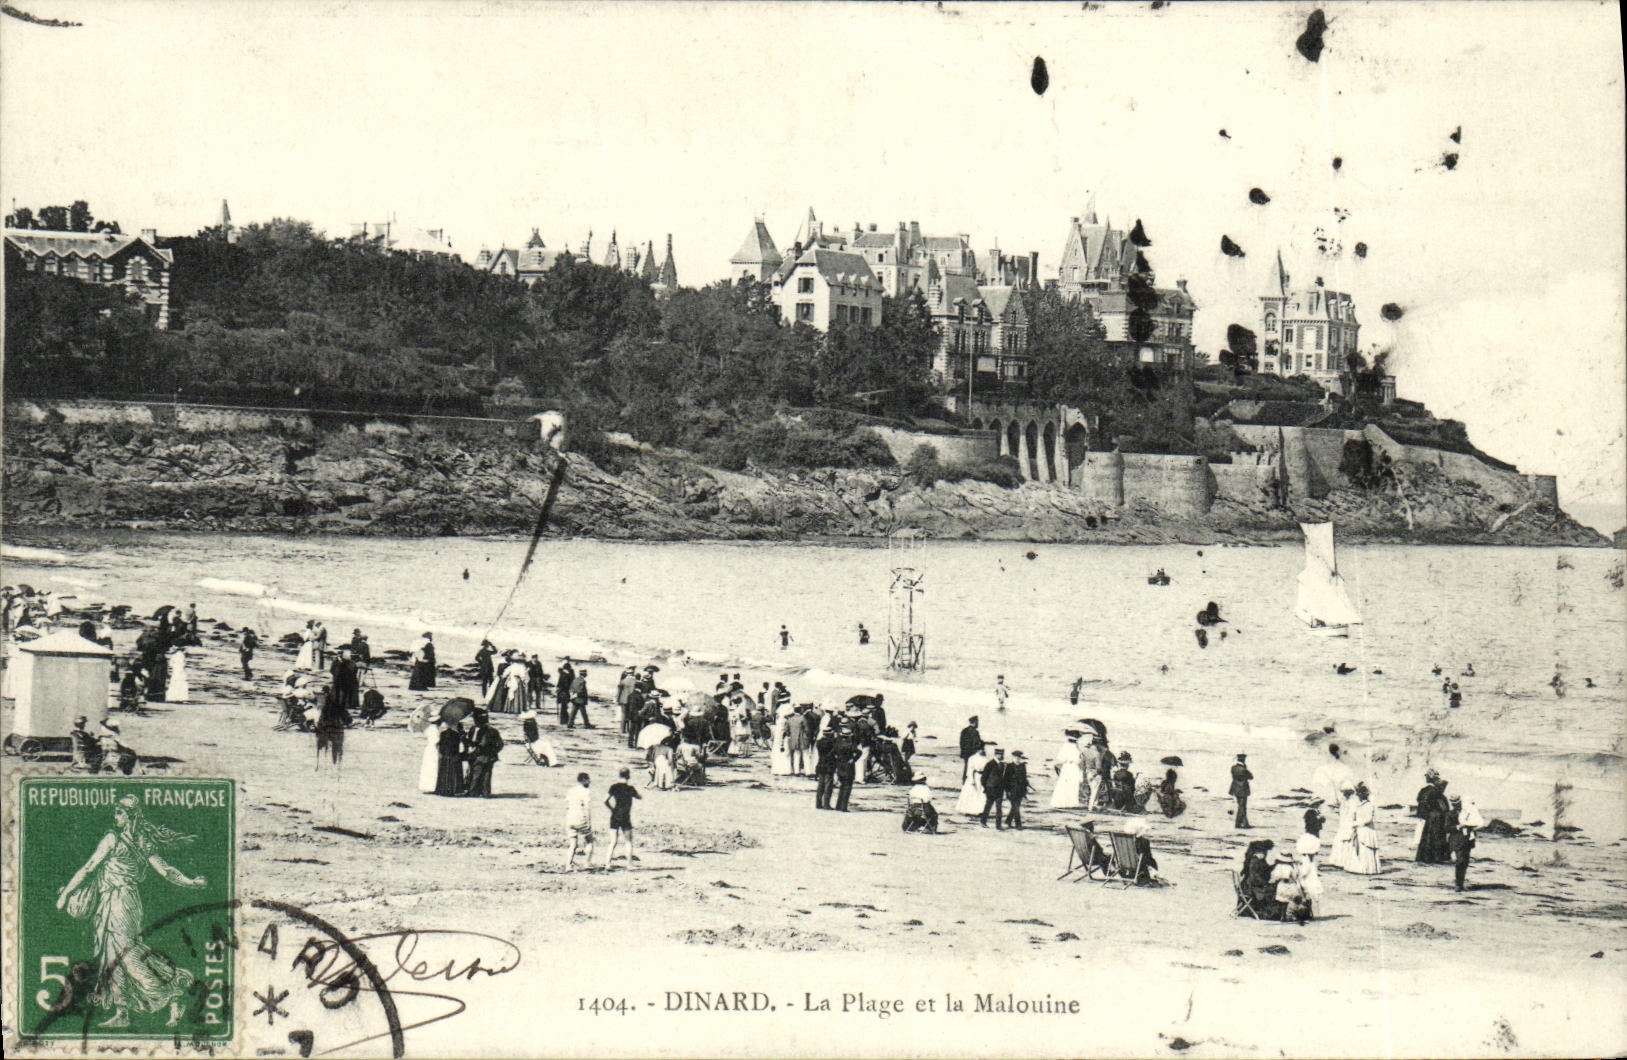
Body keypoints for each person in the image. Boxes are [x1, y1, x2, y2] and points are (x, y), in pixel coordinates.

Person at [55, 794, 206, 1028]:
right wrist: (190, 882)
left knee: (129, 956)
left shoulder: (112, 839)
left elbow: (88, 868)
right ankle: (122, 1011)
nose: (115, 817)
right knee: (112, 957)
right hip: (116, 902)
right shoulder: (142, 840)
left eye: (119, 813)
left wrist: (65, 895)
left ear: (129, 816)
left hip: (120, 901)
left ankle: (174, 993)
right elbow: (166, 871)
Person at [604, 768, 641, 868]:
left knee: (612, 842)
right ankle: (629, 864)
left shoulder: (614, 787)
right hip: (625, 815)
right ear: (628, 776)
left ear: (619, 775)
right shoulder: (630, 788)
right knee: (628, 841)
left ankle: (607, 863)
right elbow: (639, 796)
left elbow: (605, 800)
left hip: (615, 815)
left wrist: (611, 809)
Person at [1239, 839, 1285, 919]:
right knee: (1273, 890)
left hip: (1252, 885)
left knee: (1274, 887)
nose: (1265, 854)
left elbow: (1266, 870)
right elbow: (1255, 878)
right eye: (1263, 852)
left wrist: (1275, 864)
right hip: (1251, 888)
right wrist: (1266, 883)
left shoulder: (1259, 860)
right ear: (1257, 852)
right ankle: (1271, 913)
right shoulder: (1254, 862)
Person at [1414, 770, 1453, 864]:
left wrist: (1424, 815)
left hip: (1429, 817)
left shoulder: (1424, 790)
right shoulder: (1436, 792)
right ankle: (1437, 857)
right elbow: (1443, 807)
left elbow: (1421, 804)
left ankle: (1424, 857)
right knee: (1437, 837)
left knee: (1427, 837)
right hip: (1437, 817)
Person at [1343, 782, 1381, 874]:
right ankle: (1357, 868)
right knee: (1357, 849)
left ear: (1363, 796)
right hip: (1359, 830)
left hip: (1367, 830)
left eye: (1360, 795)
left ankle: (1366, 869)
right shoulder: (1359, 806)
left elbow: (1368, 819)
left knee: (1365, 850)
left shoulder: (1368, 805)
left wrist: (1356, 823)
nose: (1358, 797)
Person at [463, 710, 503, 797]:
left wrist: (491, 752)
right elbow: (500, 744)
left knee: (478, 775)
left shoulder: (489, 731)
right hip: (482, 755)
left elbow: (484, 744)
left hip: (482, 755)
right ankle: (484, 792)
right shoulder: (473, 729)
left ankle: (475, 792)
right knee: (484, 774)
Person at [1296, 805, 1326, 910]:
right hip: (1309, 863)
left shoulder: (1303, 837)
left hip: (1303, 861)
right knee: (1310, 885)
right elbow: (1311, 855)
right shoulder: (1314, 839)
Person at [1271, 849, 1312, 923]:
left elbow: (1275, 877)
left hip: (1281, 885)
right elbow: (1295, 876)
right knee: (1295, 899)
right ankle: (1295, 915)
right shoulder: (1291, 867)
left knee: (1283, 901)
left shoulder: (1278, 867)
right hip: (1290, 885)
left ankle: (1283, 916)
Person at [565, 773, 595, 870]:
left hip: (570, 818)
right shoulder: (586, 792)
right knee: (589, 840)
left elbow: (567, 804)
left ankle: (568, 865)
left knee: (573, 844)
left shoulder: (571, 790)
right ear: (584, 780)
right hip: (581, 818)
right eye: (588, 779)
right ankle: (587, 863)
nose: (590, 782)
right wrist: (589, 822)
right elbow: (587, 808)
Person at [1448, 799, 1477, 891]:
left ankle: (1461, 884)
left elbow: (1475, 823)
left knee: (1465, 862)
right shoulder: (1450, 814)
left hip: (1467, 841)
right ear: (1452, 804)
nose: (1458, 805)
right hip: (1457, 841)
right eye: (1455, 803)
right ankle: (1458, 884)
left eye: (1459, 803)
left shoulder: (1467, 812)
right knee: (1460, 861)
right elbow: (1446, 828)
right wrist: (1457, 827)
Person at [434, 718, 466, 796]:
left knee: (444, 773)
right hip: (454, 756)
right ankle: (454, 789)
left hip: (445, 756)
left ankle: (443, 789)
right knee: (454, 774)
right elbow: (461, 745)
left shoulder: (443, 733)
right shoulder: (457, 734)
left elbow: (440, 746)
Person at [978, 746, 1008, 828]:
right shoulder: (990, 764)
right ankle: (983, 821)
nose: (1001, 756)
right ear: (996, 754)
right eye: (1000, 754)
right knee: (988, 806)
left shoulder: (1002, 764)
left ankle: (998, 825)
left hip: (999, 790)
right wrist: (986, 788)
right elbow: (983, 777)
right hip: (991, 789)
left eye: (1002, 754)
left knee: (999, 808)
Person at [1003, 750, 1031, 829]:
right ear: (1013, 757)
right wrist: (1007, 791)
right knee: (1016, 807)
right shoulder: (1009, 766)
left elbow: (1024, 779)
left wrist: (1025, 790)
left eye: (1019, 757)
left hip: (1020, 791)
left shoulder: (1022, 766)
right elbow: (1006, 780)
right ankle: (1018, 824)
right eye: (1016, 757)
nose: (1017, 759)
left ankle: (1008, 821)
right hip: (1012, 791)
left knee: (1015, 807)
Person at [329, 647, 360, 718]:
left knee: (342, 693)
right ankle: (346, 704)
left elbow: (332, 670)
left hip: (342, 679)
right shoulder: (350, 663)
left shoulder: (342, 663)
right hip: (345, 679)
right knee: (344, 693)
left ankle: (341, 704)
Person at [832, 728, 859, 812]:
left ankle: (838, 806)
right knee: (847, 787)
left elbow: (833, 753)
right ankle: (843, 807)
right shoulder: (850, 744)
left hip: (840, 766)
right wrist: (853, 759)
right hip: (848, 767)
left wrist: (837, 759)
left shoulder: (838, 744)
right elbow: (859, 752)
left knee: (842, 786)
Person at [814, 727, 838, 809]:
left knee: (820, 785)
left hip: (821, 763)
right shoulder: (832, 743)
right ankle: (826, 804)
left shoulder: (819, 742)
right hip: (829, 764)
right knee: (828, 785)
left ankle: (818, 803)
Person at [1229, 753, 1253, 828]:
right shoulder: (1243, 769)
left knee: (1241, 806)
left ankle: (1245, 823)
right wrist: (1245, 768)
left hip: (1235, 789)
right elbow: (1251, 777)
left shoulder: (1233, 768)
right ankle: (1239, 824)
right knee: (1242, 807)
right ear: (1243, 760)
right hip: (1243, 790)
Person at [419, 720, 443, 794]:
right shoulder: (435, 730)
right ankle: (432, 786)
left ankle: (426, 786)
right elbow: (436, 741)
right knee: (433, 767)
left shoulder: (428, 729)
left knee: (427, 767)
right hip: (434, 750)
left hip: (428, 749)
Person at [959, 716, 982, 781]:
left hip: (965, 754)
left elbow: (961, 743)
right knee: (972, 769)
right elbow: (976, 744)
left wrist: (963, 751)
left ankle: (965, 782)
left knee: (967, 768)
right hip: (972, 754)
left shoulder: (964, 730)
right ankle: (970, 783)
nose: (978, 724)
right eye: (977, 722)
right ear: (975, 722)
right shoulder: (975, 732)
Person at [786, 708, 809, 775]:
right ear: (800, 711)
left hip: (794, 740)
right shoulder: (803, 718)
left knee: (796, 754)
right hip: (803, 739)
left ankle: (796, 771)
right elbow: (807, 729)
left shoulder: (790, 719)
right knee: (805, 754)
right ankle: (807, 771)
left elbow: (787, 730)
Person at [555, 659, 575, 723]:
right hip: (564, 693)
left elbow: (559, 684)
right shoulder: (565, 675)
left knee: (564, 706)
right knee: (564, 706)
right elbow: (564, 684)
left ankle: (564, 719)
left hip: (562, 692)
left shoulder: (562, 674)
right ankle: (564, 719)